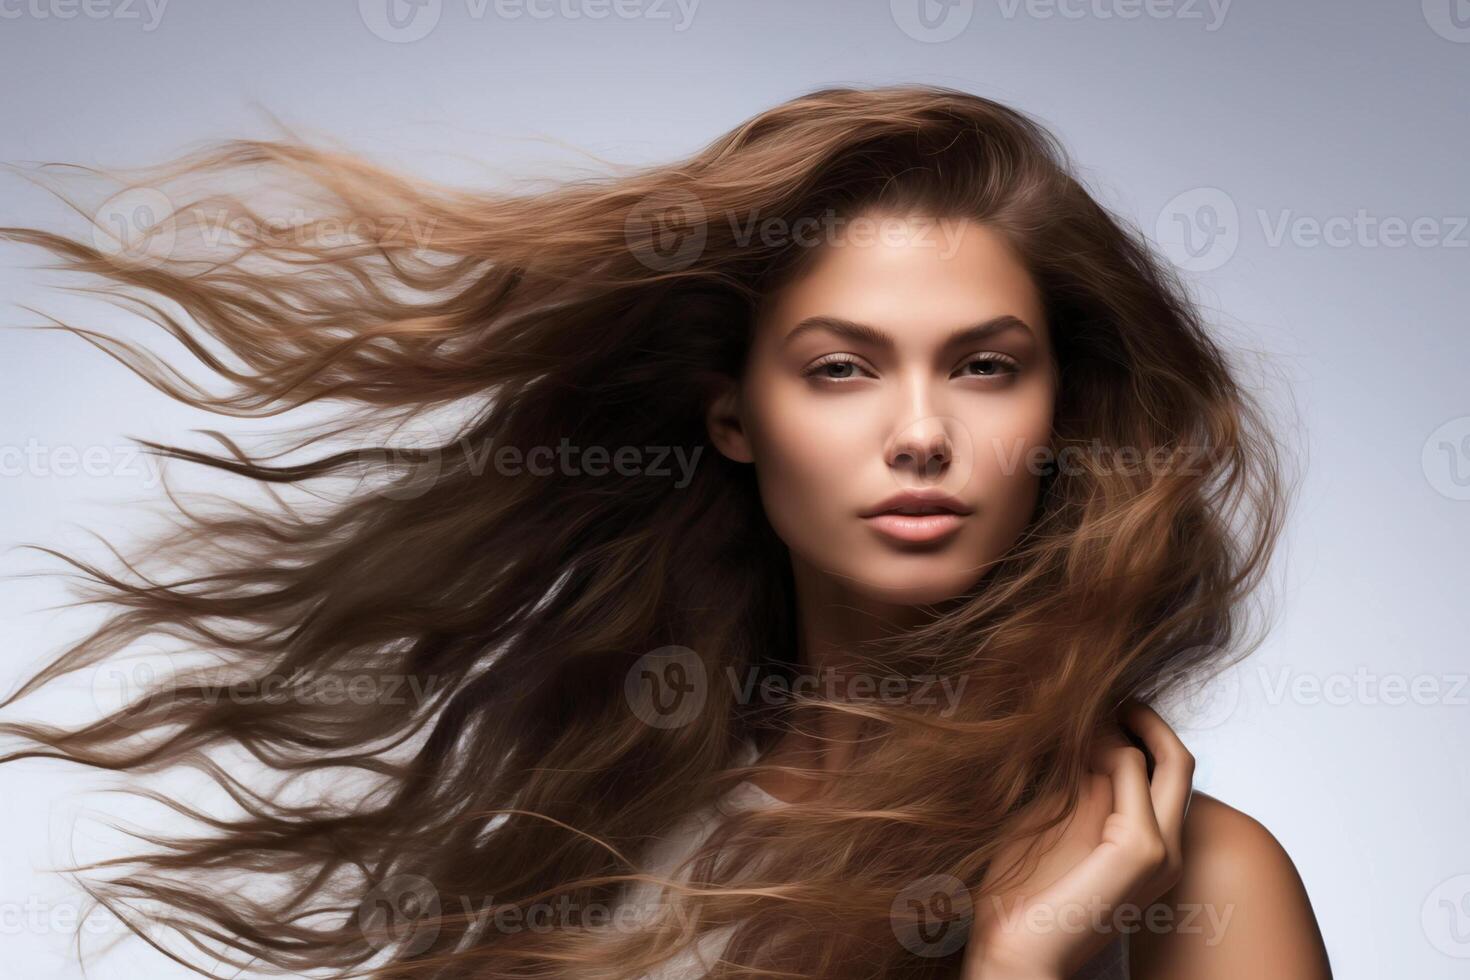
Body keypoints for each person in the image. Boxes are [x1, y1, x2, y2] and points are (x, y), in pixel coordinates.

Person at [0, 84, 1331, 978]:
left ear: (1061, 410)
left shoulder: (1196, 886)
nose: (919, 432)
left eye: (983, 366)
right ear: (734, 417)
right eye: (839, 368)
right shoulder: (592, 841)